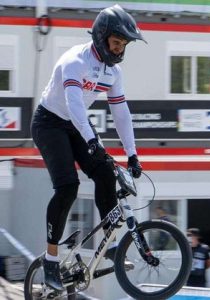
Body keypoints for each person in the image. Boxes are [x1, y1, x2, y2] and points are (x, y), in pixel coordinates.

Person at [30, 4, 145, 291]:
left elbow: (121, 114)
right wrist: (91, 140)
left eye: (124, 45)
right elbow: (74, 104)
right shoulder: (75, 61)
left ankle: (111, 246)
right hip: (49, 123)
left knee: (106, 172)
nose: (119, 50)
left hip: (76, 124)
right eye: (116, 42)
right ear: (101, 37)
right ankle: (51, 260)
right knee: (67, 187)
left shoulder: (113, 73)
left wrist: (132, 154)